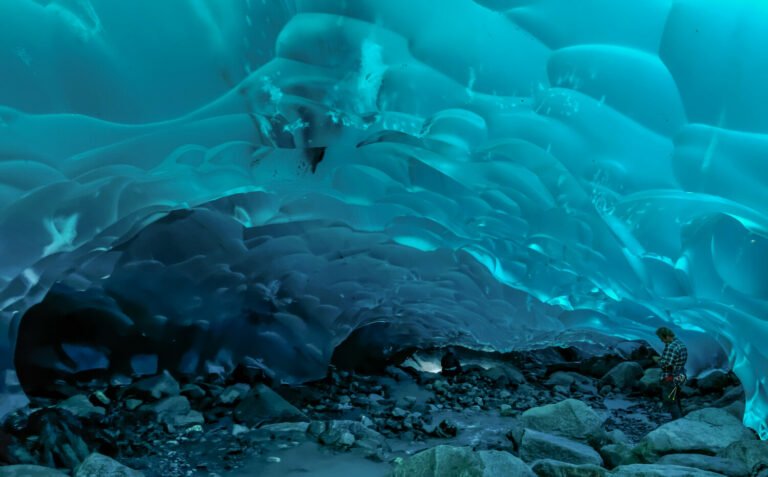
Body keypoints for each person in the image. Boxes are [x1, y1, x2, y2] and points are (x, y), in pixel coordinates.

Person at [653, 327, 688, 420]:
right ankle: (681, 419)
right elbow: (675, 360)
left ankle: (678, 422)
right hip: (680, 375)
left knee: (670, 401)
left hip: (670, 377)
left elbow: (666, 366)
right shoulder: (680, 344)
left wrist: (658, 360)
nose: (661, 341)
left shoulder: (671, 347)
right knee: (676, 399)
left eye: (662, 338)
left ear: (667, 336)